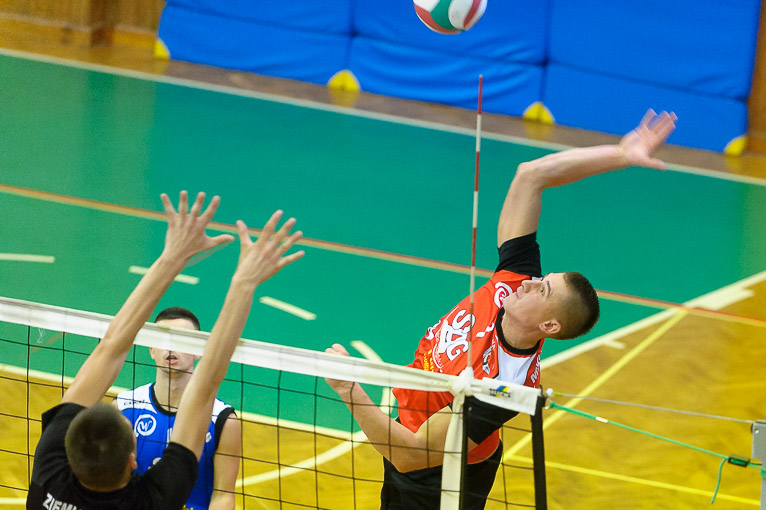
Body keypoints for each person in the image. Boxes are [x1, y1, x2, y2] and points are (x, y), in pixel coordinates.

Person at [325, 110, 677, 509]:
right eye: (540, 278)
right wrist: (621, 154)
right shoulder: (513, 281)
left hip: (439, 476)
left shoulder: (503, 386)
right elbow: (531, 175)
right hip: (412, 428)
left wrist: (349, 390)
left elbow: (410, 456)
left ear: (549, 325)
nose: (529, 281)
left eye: (542, 288)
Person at [27, 191, 304, 510]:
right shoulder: (152, 500)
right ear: (133, 461)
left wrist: (173, 258)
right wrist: (243, 283)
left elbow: (112, 349)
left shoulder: (50, 475)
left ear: (65, 448)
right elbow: (202, 386)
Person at [114, 306, 241, 510]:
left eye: (181, 340)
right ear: (152, 350)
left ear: (198, 350)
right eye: (162, 339)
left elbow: (223, 495)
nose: (170, 347)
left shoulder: (223, 421)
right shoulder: (124, 408)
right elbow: (111, 485)